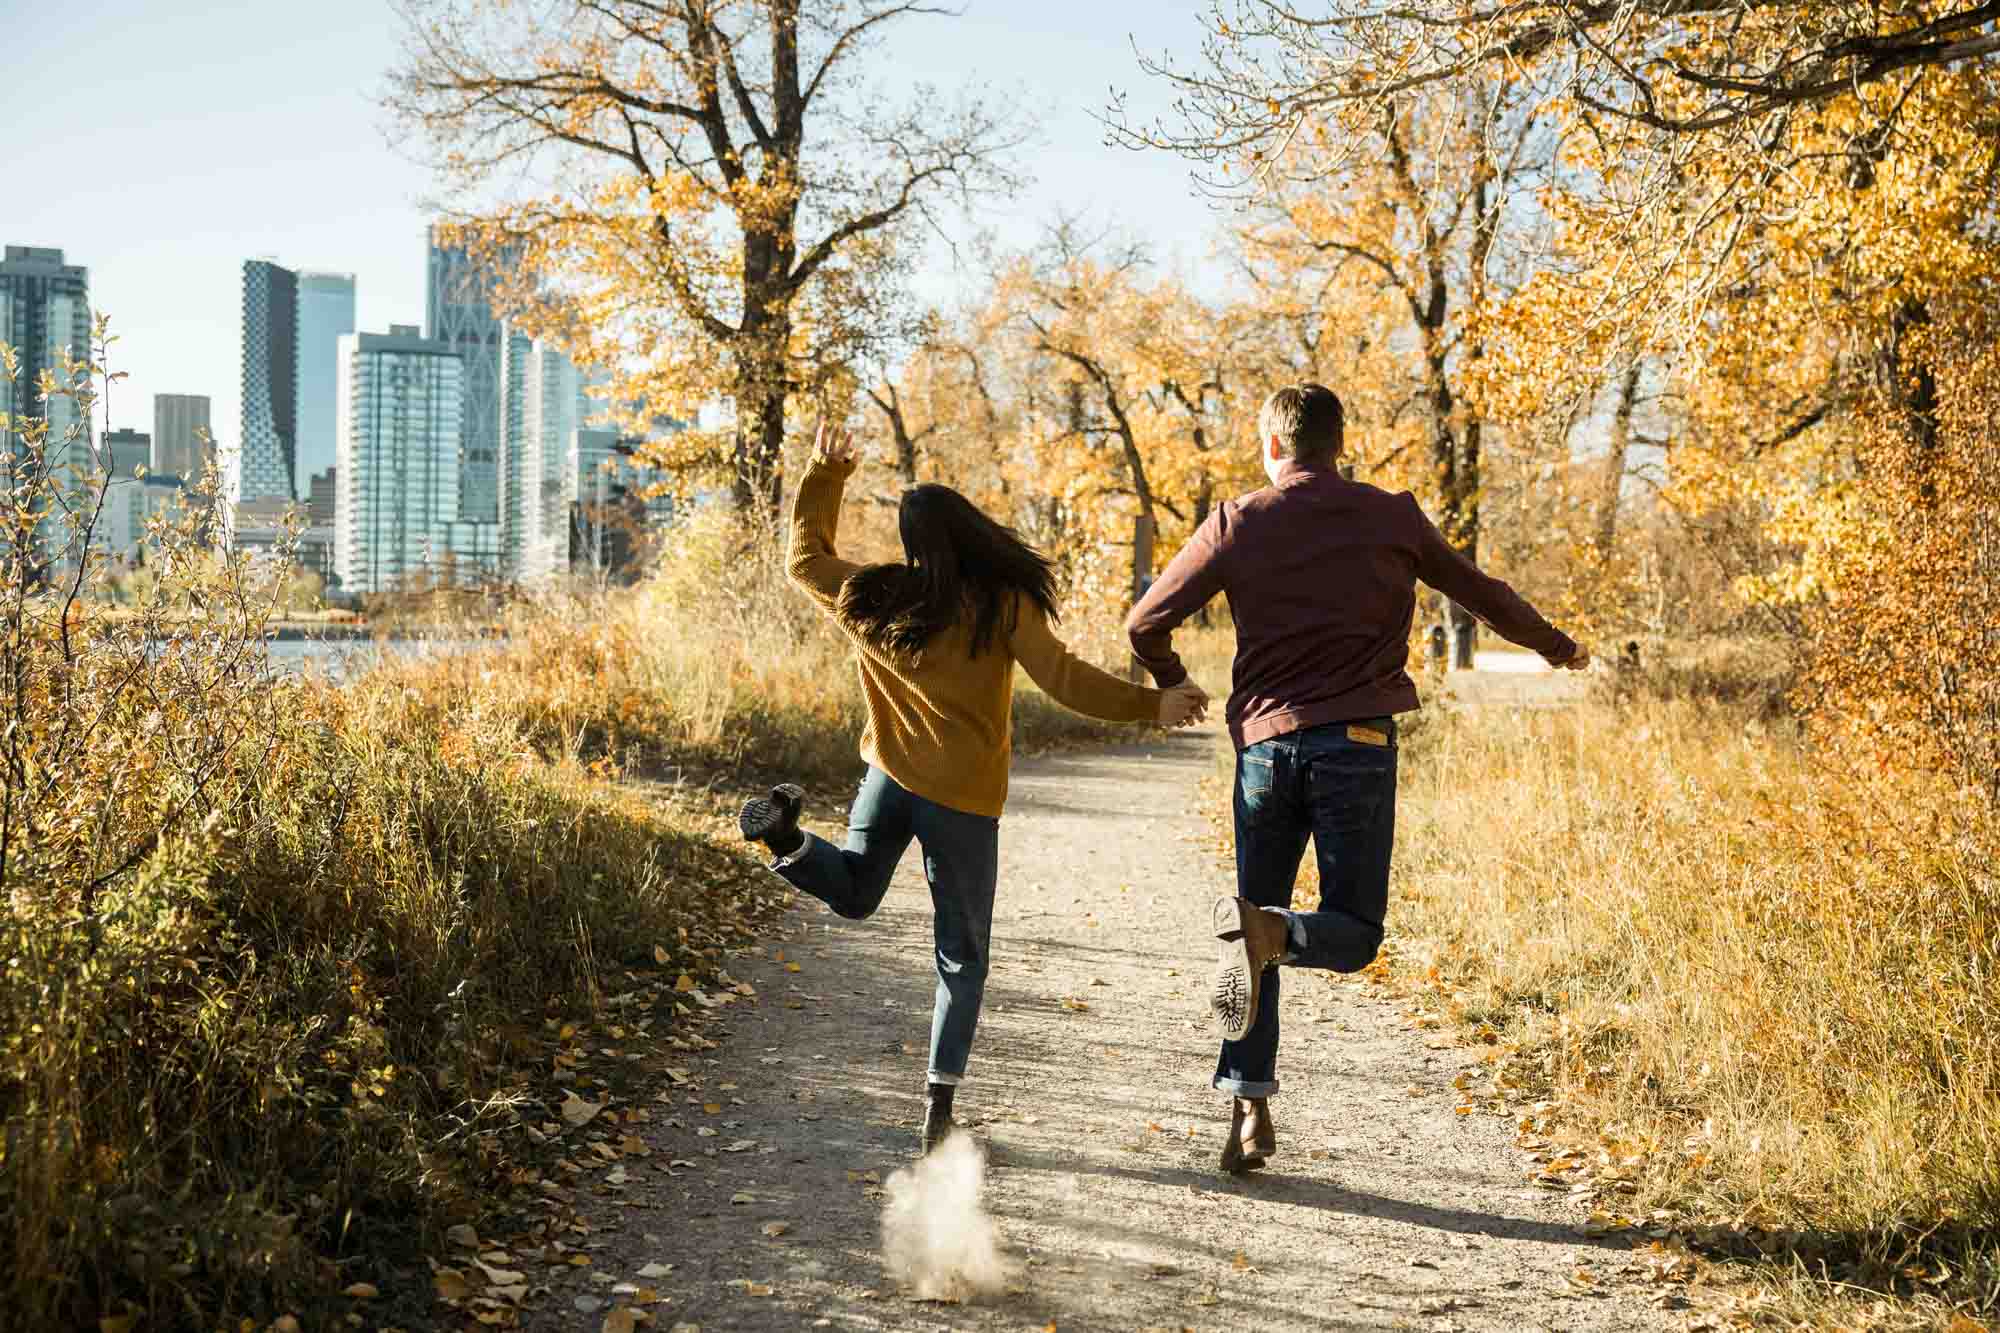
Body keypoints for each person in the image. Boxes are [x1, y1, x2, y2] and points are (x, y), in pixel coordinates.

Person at [1124, 384, 1589, 1173]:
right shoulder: (1391, 516)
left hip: (1266, 753)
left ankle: (1248, 1106)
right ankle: (1276, 941)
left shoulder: (1238, 520)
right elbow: (1484, 595)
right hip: (1360, 743)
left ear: (1271, 447)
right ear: (1340, 444)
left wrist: (1173, 678)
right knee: (1350, 934)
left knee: (1251, 929)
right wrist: (1555, 647)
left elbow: (1144, 622)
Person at [740, 422, 1208, 1155]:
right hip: (961, 804)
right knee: (961, 957)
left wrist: (825, 473)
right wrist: (1152, 704)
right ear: (970, 530)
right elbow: (1066, 679)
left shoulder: (874, 595)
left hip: (888, 780)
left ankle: (785, 837)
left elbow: (804, 559)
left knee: (859, 892)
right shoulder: (1000, 604)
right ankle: (937, 1106)